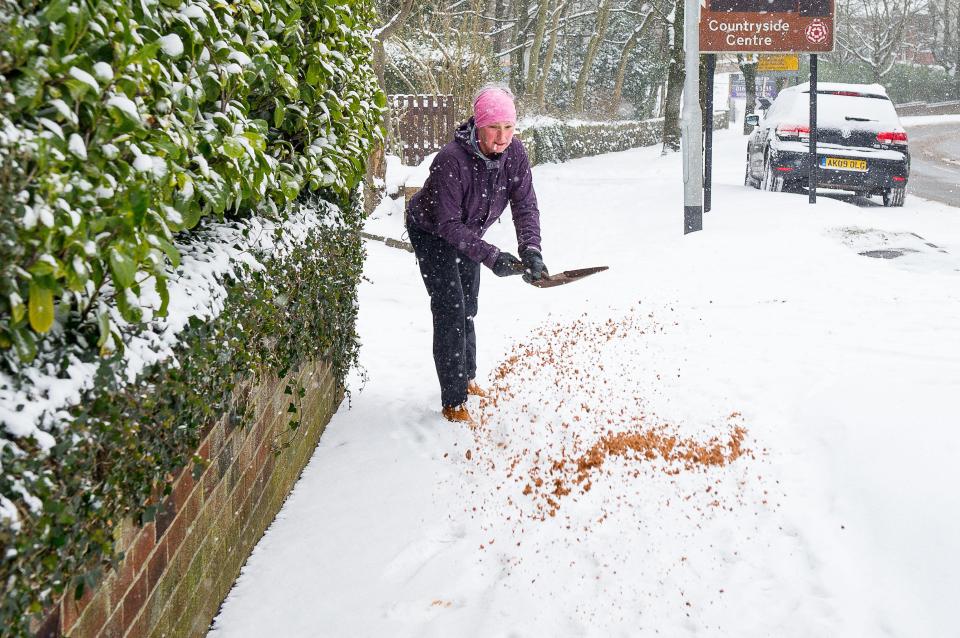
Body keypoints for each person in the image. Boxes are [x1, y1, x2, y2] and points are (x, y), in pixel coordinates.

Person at [405, 84, 548, 424]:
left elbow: (525, 204)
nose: (502, 137)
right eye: (493, 128)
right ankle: (453, 402)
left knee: (468, 304)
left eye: (508, 127)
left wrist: (531, 250)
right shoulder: (451, 161)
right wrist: (492, 256)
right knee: (450, 307)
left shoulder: (515, 154)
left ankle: (467, 378)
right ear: (478, 126)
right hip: (433, 232)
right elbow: (448, 224)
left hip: (469, 233)